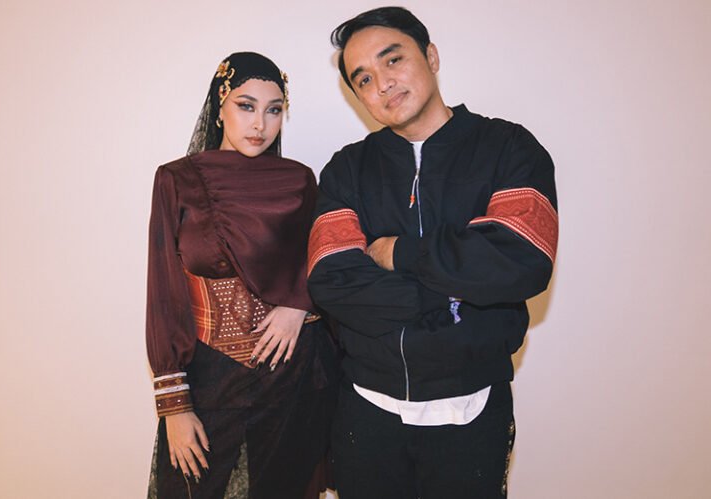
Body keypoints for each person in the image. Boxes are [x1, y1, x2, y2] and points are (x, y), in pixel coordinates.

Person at [307, 7, 558, 499]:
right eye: (364, 78)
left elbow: (521, 259)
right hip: (366, 412)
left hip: (473, 409)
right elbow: (332, 279)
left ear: (431, 56)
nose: (383, 83)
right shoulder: (346, 169)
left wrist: (399, 253)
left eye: (393, 59)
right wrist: (450, 295)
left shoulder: (509, 148)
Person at [146, 52, 337, 499]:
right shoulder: (176, 179)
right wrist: (174, 406)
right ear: (220, 106)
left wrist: (298, 304)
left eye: (274, 110)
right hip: (212, 376)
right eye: (246, 106)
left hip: (293, 375)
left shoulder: (300, 180)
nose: (260, 124)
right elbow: (164, 290)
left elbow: (326, 257)